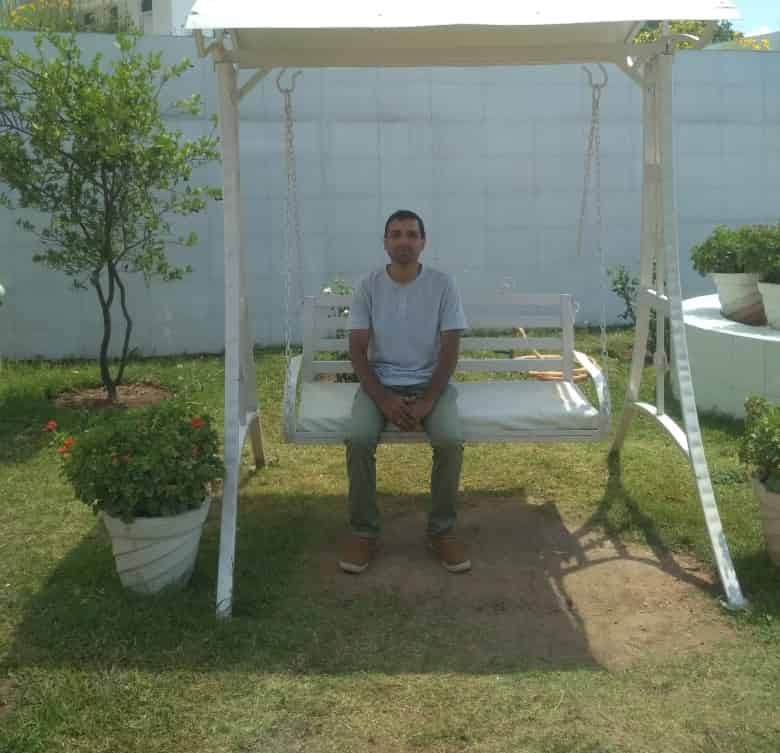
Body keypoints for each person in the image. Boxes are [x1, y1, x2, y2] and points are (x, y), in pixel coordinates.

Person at [339, 209, 470, 575]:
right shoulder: (368, 286)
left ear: (423, 242)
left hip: (430, 383)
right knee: (359, 440)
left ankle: (441, 531)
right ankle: (363, 532)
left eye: (412, 234)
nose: (404, 241)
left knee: (449, 441)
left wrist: (428, 400)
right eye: (395, 234)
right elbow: (357, 349)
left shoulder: (442, 285)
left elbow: (450, 350)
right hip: (380, 383)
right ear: (385, 242)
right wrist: (383, 399)